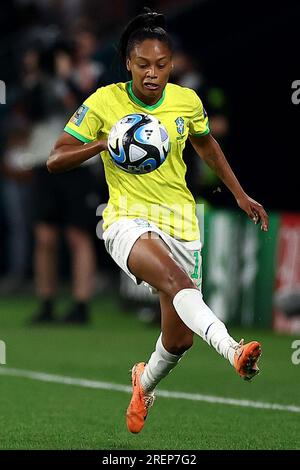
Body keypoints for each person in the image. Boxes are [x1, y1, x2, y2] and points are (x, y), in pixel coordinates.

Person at [46, 8, 269, 433]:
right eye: (144, 65)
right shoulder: (103, 102)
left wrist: (240, 194)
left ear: (172, 64)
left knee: (178, 339)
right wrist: (102, 142)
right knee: (177, 283)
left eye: (162, 65)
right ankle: (234, 350)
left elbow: (207, 147)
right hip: (125, 221)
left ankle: (143, 383)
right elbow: (55, 159)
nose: (153, 74)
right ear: (129, 63)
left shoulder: (187, 102)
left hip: (180, 223)